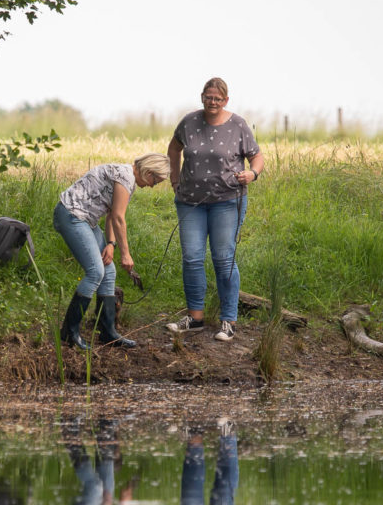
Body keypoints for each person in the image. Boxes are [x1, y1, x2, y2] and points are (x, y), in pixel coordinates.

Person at [166, 78, 264, 342]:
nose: (213, 102)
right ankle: (195, 318)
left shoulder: (238, 125)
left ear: (226, 101)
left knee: (223, 258)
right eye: (209, 97)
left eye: (218, 99)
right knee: (192, 258)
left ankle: (228, 321)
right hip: (190, 202)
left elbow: (256, 155)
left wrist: (252, 173)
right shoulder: (188, 122)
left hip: (227, 201)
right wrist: (174, 179)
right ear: (202, 97)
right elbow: (174, 148)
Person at [53, 153, 170, 350]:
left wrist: (111, 244)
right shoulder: (126, 177)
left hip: (86, 220)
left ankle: (108, 332)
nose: (152, 185)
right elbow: (118, 218)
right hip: (72, 215)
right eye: (155, 181)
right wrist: (126, 254)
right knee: (95, 272)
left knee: (108, 271)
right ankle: (69, 333)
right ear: (148, 172)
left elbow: (110, 215)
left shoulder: (127, 178)